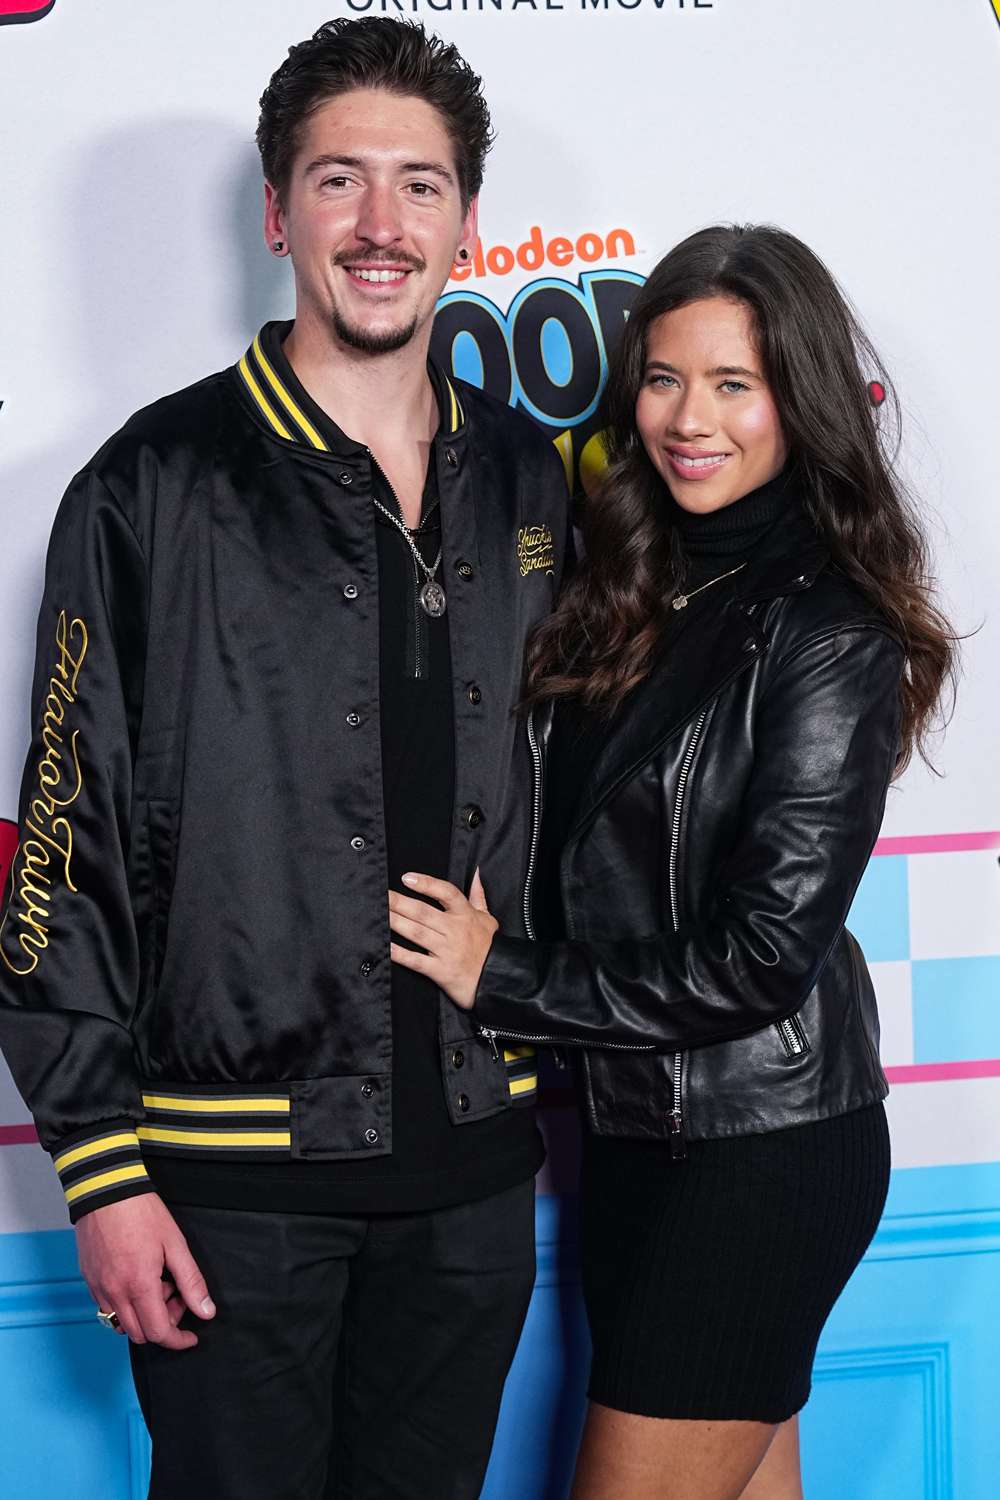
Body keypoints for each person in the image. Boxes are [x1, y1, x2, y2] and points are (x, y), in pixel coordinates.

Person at [0, 17, 570, 1499]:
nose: (382, 228)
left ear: (465, 221)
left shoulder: (526, 478)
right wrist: (100, 1171)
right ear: (277, 213)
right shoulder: (152, 482)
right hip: (227, 1186)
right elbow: (60, 834)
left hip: (475, 1182)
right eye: (339, 182)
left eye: (421, 186)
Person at [387, 224, 956, 1500]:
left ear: (800, 406)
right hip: (642, 1137)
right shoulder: (633, 584)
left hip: (758, 1150)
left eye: (733, 385)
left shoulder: (827, 627)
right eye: (662, 377)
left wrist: (503, 975)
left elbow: (762, 958)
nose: (687, 420)